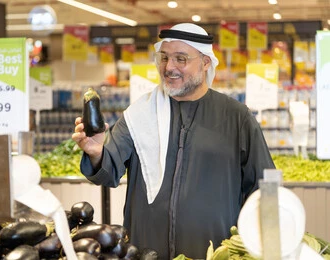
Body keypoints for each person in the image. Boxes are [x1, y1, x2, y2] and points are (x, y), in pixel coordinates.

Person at [72, 23, 275, 259]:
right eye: (164, 58)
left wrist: (264, 244)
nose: (169, 67)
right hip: (147, 250)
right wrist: (97, 152)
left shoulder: (236, 116)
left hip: (213, 253)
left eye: (181, 59)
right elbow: (108, 171)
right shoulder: (140, 114)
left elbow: (264, 187)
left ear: (206, 62)